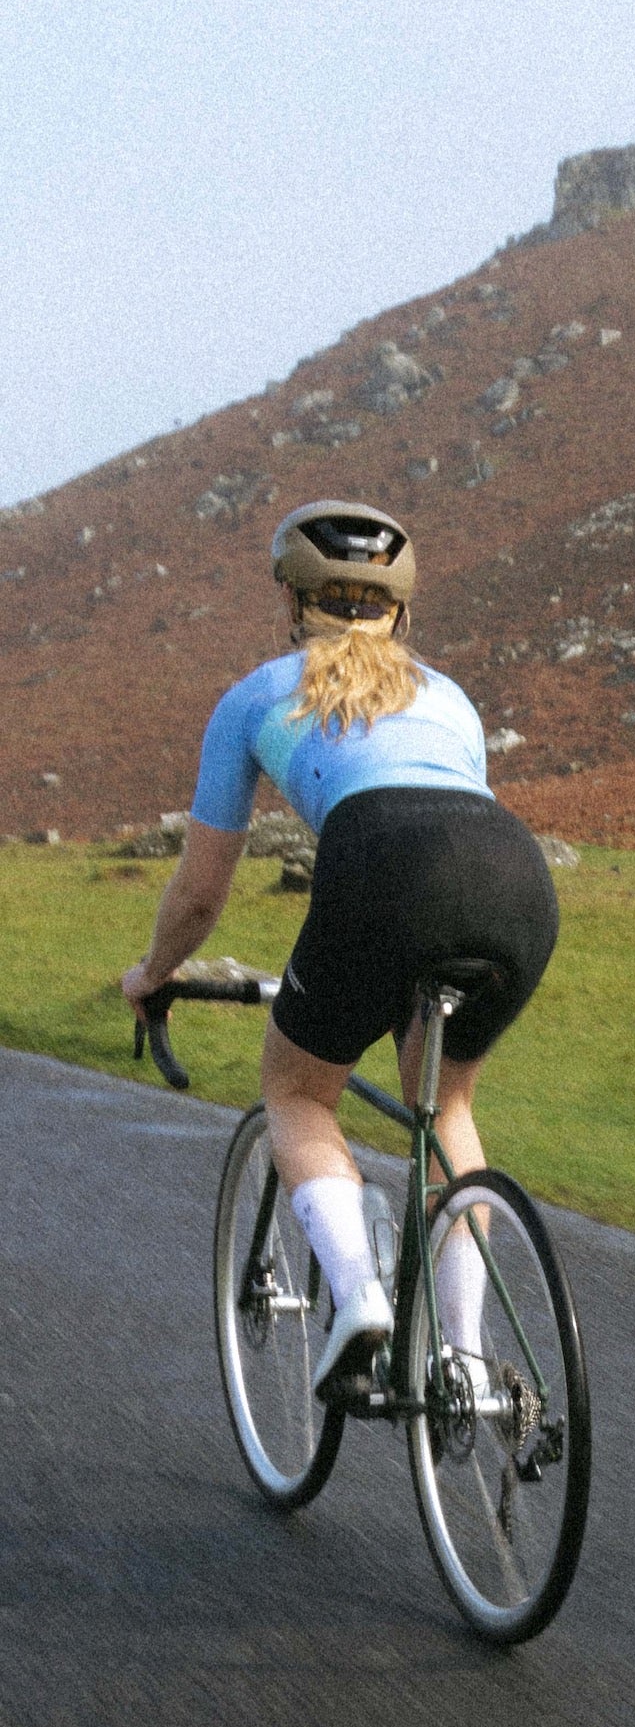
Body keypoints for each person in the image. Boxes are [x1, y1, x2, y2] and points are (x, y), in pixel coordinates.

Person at [120, 501, 559, 1400]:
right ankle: (468, 1367)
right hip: (515, 878)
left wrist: (154, 972)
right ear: (399, 609)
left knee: (296, 1088)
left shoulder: (255, 696)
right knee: (446, 1107)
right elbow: (450, 826)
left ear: (292, 598)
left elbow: (202, 891)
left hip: (380, 864)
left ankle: (358, 1296)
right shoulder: (452, 697)